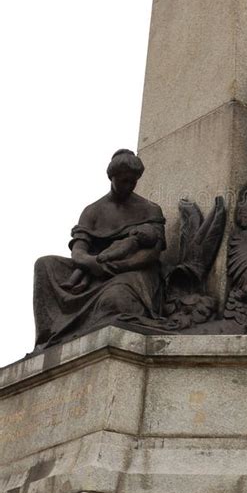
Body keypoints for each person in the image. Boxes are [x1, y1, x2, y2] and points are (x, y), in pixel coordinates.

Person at [33, 149, 166, 350]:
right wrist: (92, 263)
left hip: (133, 271)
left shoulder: (150, 209)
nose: (128, 186)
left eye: (133, 181)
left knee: (115, 301)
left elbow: (152, 254)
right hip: (94, 269)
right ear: (111, 177)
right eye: (123, 181)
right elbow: (78, 251)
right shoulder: (92, 211)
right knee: (44, 264)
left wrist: (119, 265)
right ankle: (48, 336)